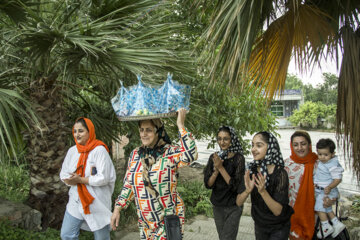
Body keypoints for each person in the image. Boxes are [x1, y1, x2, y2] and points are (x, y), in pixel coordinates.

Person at [110, 109, 198, 239]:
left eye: (149, 130)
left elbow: (191, 154)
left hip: (166, 222)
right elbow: (129, 185)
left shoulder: (169, 153)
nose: (144, 134)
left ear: (158, 131)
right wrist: (118, 208)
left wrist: (180, 125)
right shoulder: (136, 154)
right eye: (142, 130)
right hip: (145, 224)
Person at [60, 117, 116, 240]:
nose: (77, 134)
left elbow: (104, 178)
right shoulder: (72, 151)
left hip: (96, 201)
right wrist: (69, 180)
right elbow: (63, 173)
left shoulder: (99, 150)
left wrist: (81, 180)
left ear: (89, 132)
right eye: (75, 131)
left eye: (81, 131)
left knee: (101, 238)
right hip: (76, 200)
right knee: (67, 234)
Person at [236, 131, 293, 240]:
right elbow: (238, 202)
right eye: (252, 145)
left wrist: (262, 192)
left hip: (278, 228)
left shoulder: (280, 173)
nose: (253, 149)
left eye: (259, 145)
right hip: (259, 225)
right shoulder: (251, 170)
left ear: (270, 147)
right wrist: (247, 191)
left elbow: (277, 211)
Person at [284, 130, 334, 240]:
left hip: (318, 216)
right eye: (295, 145)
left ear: (309, 145)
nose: (300, 148)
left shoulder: (320, 164)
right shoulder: (286, 165)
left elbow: (331, 187)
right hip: (294, 215)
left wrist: (331, 199)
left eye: (303, 144)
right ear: (291, 146)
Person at [203, 126, 246, 240]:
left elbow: (235, 187)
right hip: (217, 206)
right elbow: (208, 185)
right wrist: (216, 171)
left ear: (232, 140)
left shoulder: (239, 158)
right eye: (219, 138)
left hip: (233, 206)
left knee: (227, 238)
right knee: (222, 237)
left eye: (226, 139)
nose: (222, 142)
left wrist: (221, 168)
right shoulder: (214, 157)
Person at [314, 138, 345, 238]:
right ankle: (336, 223)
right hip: (321, 190)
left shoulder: (333, 164)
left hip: (327, 191)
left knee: (319, 207)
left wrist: (330, 187)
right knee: (326, 208)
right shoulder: (322, 162)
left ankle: (325, 226)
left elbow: (338, 179)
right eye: (320, 154)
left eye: (326, 155)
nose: (322, 157)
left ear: (332, 154)